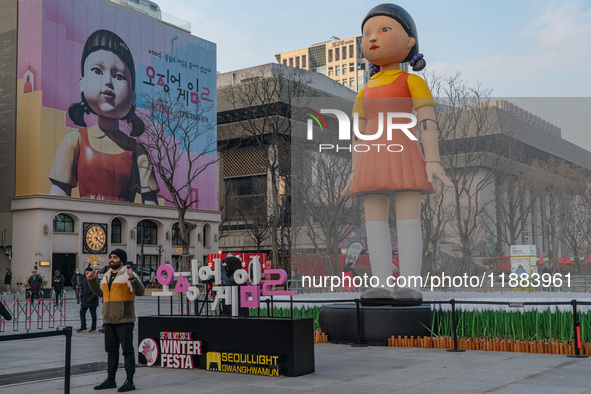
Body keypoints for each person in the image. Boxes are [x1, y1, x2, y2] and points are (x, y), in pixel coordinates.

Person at [342, 4, 452, 305]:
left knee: (408, 219)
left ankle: (410, 284)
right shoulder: (363, 91)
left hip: (404, 151)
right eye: (367, 33)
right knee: (373, 222)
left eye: (384, 30)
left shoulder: (412, 81)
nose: (372, 38)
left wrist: (433, 160)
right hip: (371, 158)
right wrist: (353, 170)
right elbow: (357, 132)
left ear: (409, 42)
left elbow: (428, 122)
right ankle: (379, 283)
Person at [48, 29, 159, 204]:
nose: (108, 81)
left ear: (132, 96)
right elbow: (57, 197)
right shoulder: (74, 141)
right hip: (83, 224)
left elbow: (151, 206)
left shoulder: (137, 152)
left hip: (125, 226)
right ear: (82, 83)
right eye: (97, 71)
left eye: (119, 76)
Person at [88, 249, 144, 392]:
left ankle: (129, 381)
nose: (112, 260)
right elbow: (102, 294)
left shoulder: (128, 274)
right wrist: (92, 280)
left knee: (127, 351)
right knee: (111, 352)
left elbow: (140, 292)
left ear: (122, 260)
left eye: (115, 257)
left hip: (124, 319)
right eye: (111, 257)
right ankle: (111, 380)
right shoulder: (106, 275)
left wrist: (133, 279)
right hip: (109, 320)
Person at [77, 267, 99, 333]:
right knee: (82, 312)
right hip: (84, 300)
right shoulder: (84, 279)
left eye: (88, 273)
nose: (86, 274)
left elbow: (96, 290)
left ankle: (93, 327)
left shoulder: (95, 279)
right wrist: (82, 297)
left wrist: (91, 298)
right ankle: (83, 326)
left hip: (92, 300)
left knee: (93, 314)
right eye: (85, 273)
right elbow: (82, 289)